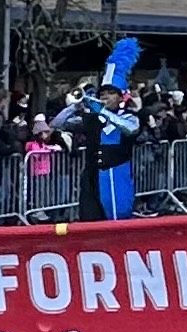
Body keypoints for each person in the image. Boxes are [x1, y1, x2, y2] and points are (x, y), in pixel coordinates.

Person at [51, 39, 142, 219]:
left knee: (117, 217)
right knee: (89, 219)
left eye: (111, 93)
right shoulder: (91, 118)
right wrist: (76, 105)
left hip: (116, 174)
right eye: (103, 94)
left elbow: (130, 129)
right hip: (92, 176)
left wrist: (102, 111)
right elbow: (57, 124)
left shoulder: (129, 117)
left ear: (120, 97)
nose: (106, 97)